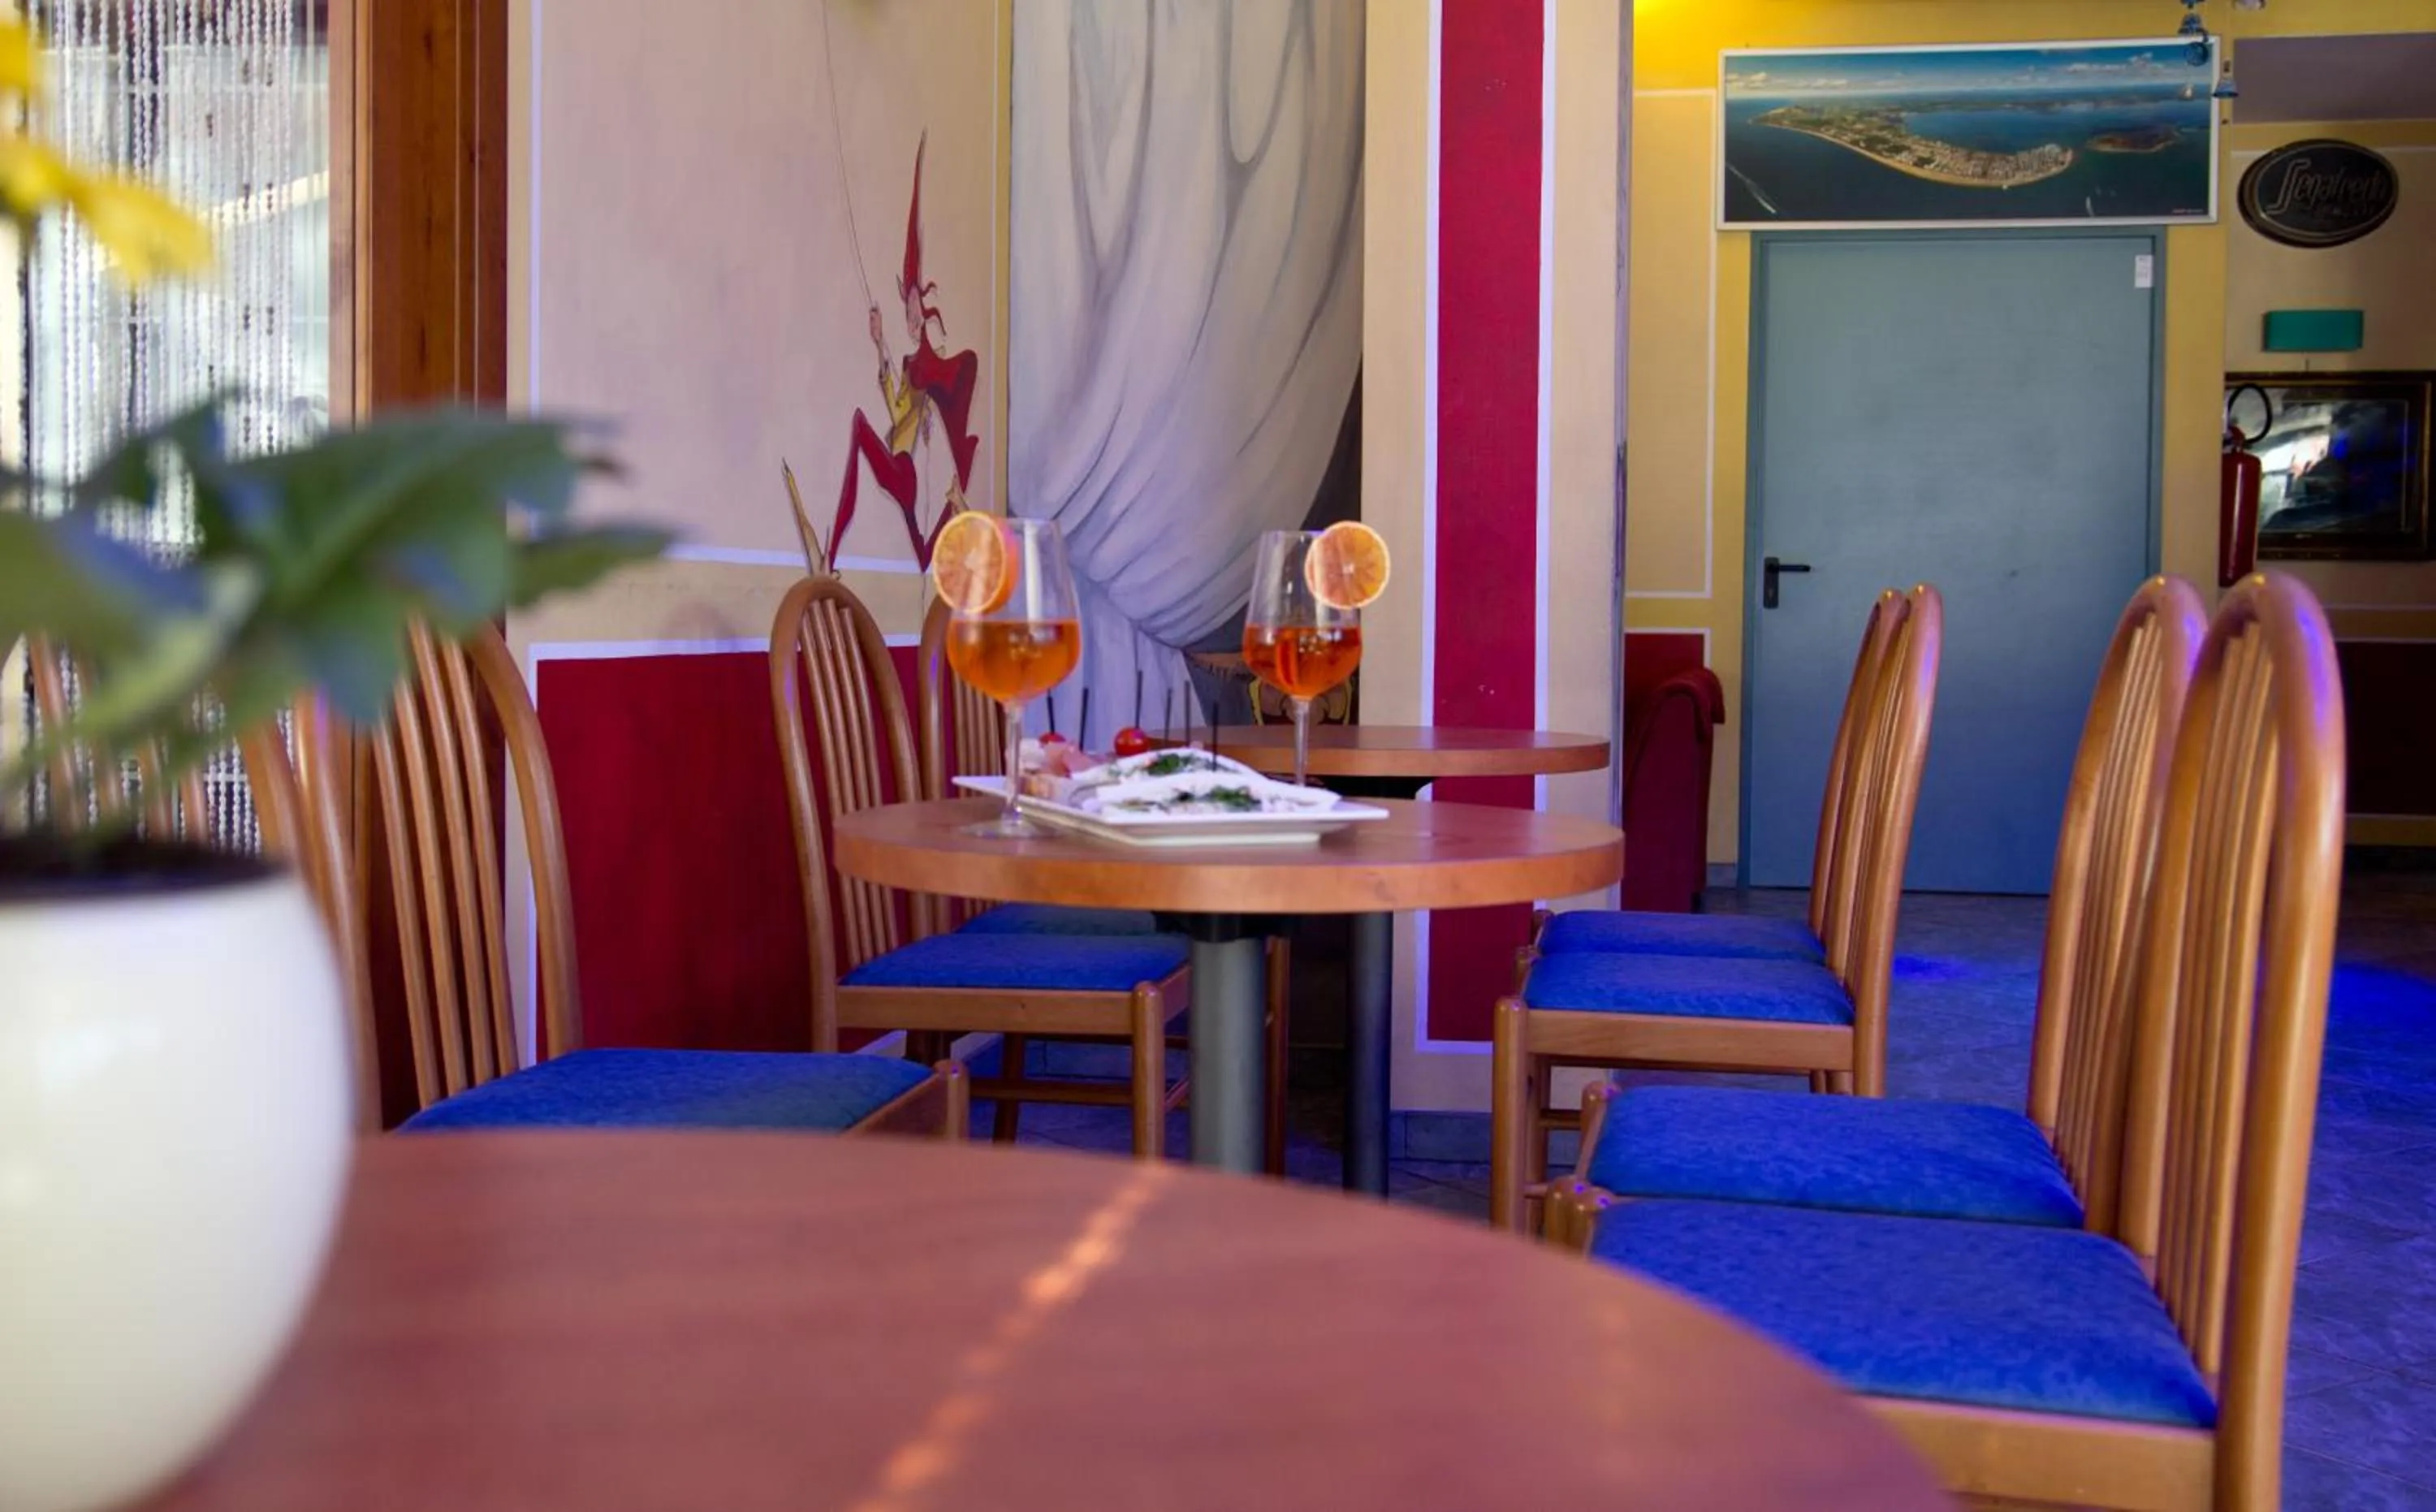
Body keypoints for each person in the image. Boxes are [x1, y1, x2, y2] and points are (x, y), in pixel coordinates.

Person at [831, 135, 983, 568]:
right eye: (908, 310)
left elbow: (917, 409)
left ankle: (947, 512)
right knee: (920, 553)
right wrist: (879, 340)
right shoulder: (909, 366)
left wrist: (929, 414)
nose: (912, 317)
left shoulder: (931, 368)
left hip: (909, 470)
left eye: (916, 308)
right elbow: (898, 411)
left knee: (863, 428)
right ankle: (838, 551)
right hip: (903, 465)